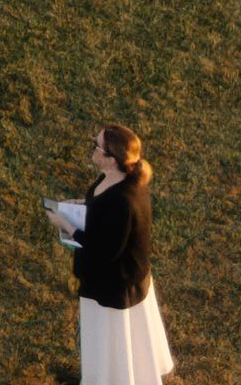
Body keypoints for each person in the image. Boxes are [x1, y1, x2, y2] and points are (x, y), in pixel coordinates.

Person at [70, 124, 175, 385]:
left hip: (116, 286)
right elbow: (102, 217)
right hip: (121, 278)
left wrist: (70, 228)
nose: (93, 149)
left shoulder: (123, 201)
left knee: (114, 344)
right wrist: (81, 208)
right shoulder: (112, 179)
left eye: (96, 146)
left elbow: (104, 252)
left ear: (112, 159)